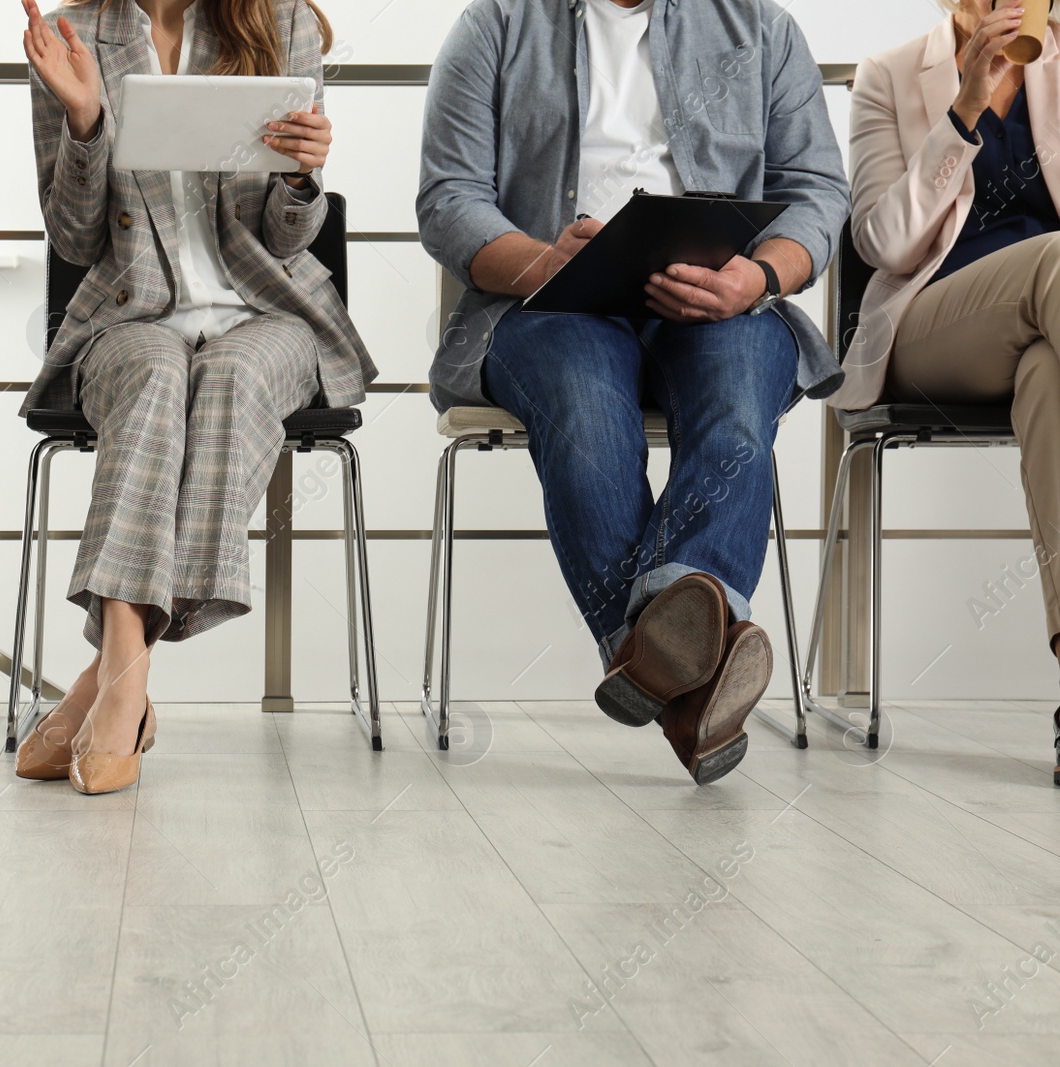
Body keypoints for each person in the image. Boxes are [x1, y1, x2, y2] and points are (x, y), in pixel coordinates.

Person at [418, 0, 849, 784]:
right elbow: (449, 199)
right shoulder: (496, 25)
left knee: (736, 411)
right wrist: (546, 262)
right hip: (552, 302)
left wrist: (757, 274)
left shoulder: (762, 27)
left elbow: (818, 189)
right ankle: (700, 671)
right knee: (586, 416)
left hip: (721, 297)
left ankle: (657, 654)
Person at [16, 0, 374, 795]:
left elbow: (289, 237)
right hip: (131, 312)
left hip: (269, 311)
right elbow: (75, 240)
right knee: (156, 375)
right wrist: (82, 121)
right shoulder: (74, 37)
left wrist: (301, 175)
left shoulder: (281, 26)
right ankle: (124, 679)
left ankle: (112, 680)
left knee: (232, 378)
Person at [836, 0, 1060, 787]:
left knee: (1050, 377)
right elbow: (882, 241)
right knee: (1057, 261)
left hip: (1046, 329)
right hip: (932, 324)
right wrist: (964, 108)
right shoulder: (889, 76)